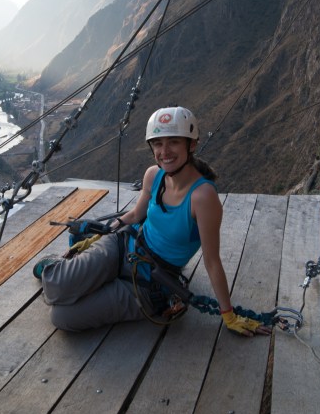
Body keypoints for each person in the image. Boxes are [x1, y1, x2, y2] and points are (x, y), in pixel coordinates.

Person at [35, 106, 271, 337]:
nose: (164, 151)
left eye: (173, 142)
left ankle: (83, 277)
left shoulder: (203, 197)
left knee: (62, 317)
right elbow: (135, 215)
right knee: (55, 286)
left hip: (152, 281)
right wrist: (102, 234)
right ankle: (56, 266)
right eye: (158, 143)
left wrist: (229, 315)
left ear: (191, 145)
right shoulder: (153, 175)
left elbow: (212, 261)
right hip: (123, 246)